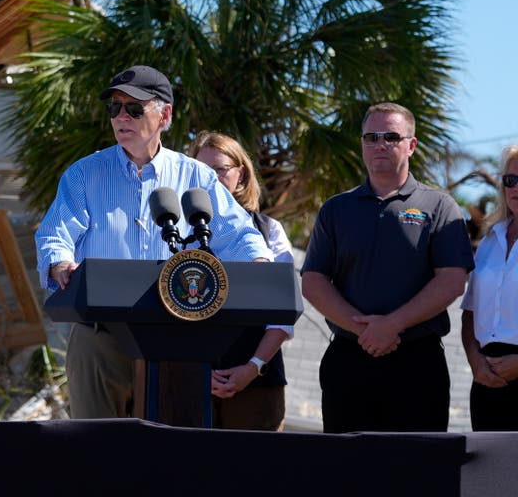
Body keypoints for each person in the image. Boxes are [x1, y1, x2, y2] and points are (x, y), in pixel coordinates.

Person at [35, 65, 271, 419]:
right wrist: (59, 261)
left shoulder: (197, 176)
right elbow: (56, 232)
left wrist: (259, 266)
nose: (121, 117)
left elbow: (238, 235)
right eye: (114, 108)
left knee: (171, 456)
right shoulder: (84, 173)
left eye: (134, 108)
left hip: (178, 336)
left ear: (165, 115)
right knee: (96, 452)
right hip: (100, 338)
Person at [301, 102, 473, 433]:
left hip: (417, 363)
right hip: (348, 358)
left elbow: (452, 281)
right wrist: (366, 331)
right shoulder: (336, 209)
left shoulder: (439, 206)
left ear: (411, 144)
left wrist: (392, 325)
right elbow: (313, 280)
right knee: (347, 474)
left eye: (391, 136)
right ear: (362, 144)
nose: (380, 144)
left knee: (417, 475)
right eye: (371, 136)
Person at [188, 131, 293, 431]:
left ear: (241, 174)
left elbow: (282, 315)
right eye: (202, 171)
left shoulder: (269, 231)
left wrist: (253, 368)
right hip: (187, 384)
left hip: (257, 386)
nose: (212, 178)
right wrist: (195, 370)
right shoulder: (176, 236)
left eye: (220, 169)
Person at [460, 144, 518, 430]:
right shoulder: (489, 242)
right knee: (489, 474)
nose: (516, 188)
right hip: (485, 381)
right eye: (511, 180)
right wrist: (475, 361)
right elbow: (470, 312)